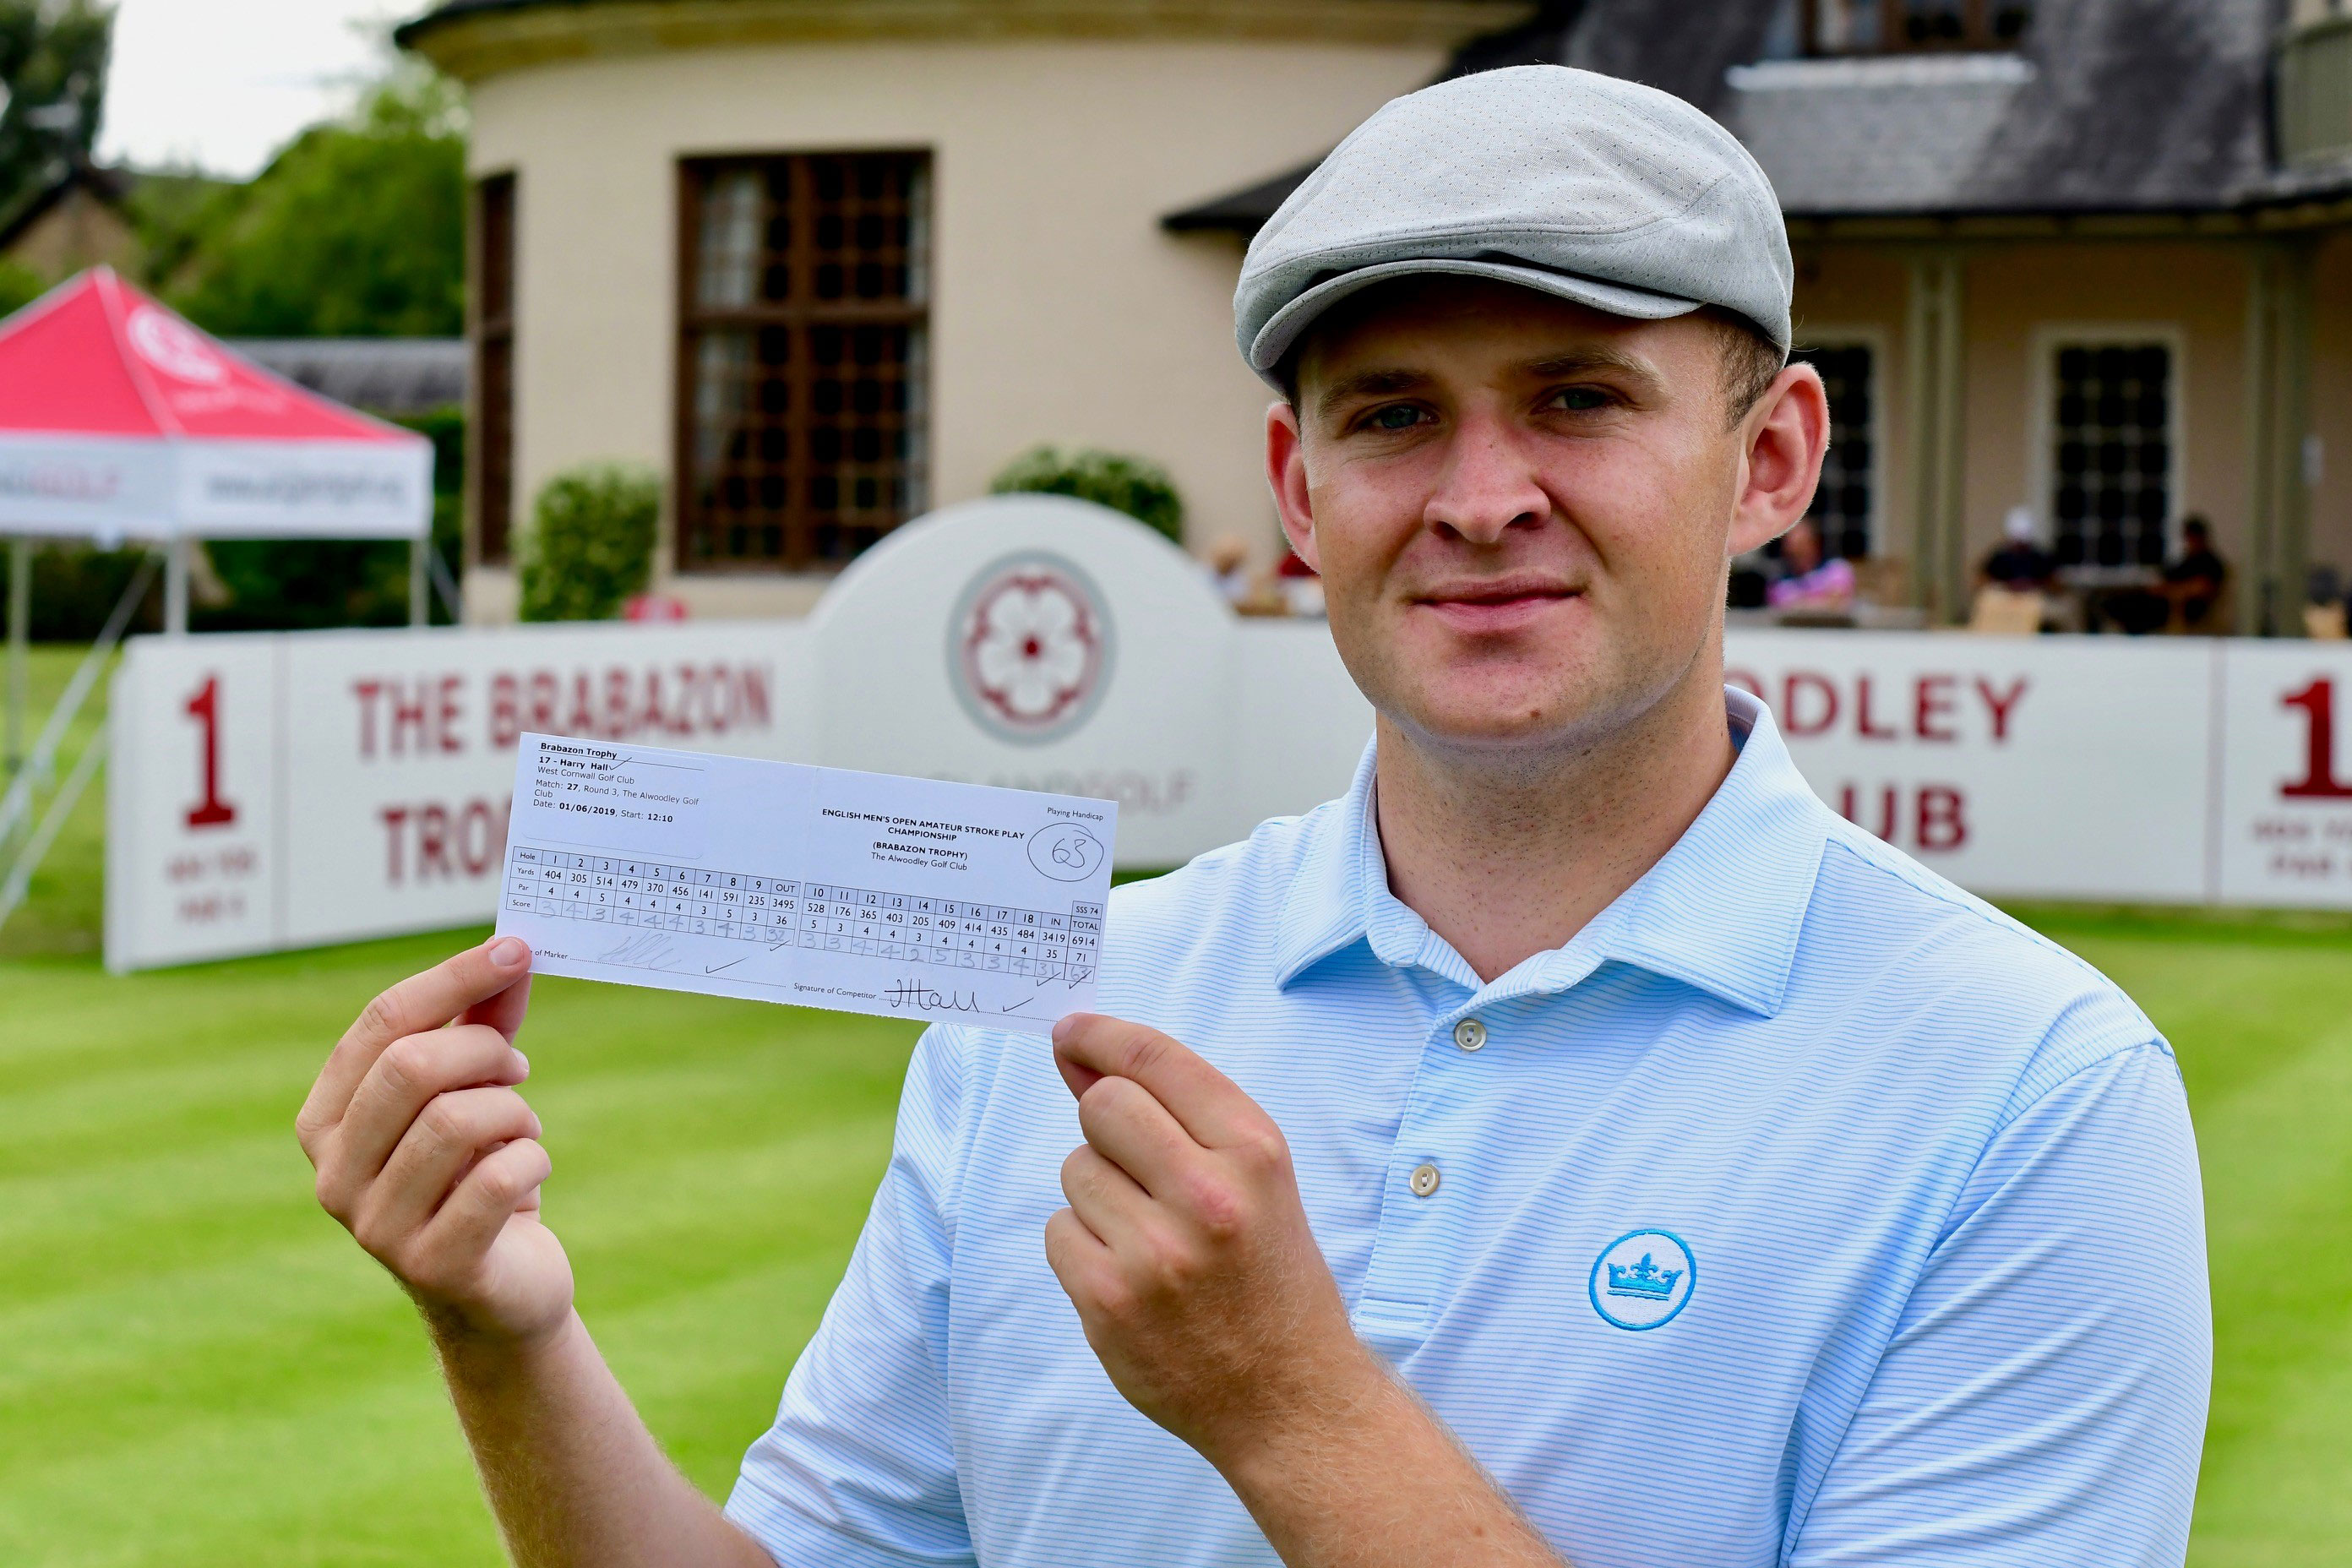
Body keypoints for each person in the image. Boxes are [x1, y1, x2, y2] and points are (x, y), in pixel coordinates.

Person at [297, 66, 2208, 1568]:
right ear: (1297, 492)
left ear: (1769, 458)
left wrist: (1287, 1405)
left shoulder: (2027, 1089)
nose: (1478, 496)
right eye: (1390, 415)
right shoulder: (1056, 1011)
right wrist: (505, 1338)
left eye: (1573, 399)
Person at [1762, 515, 1854, 610]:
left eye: (1802, 546)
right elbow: (1785, 610)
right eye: (1793, 549)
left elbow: (1837, 602)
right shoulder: (1779, 585)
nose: (1797, 554)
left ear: (1814, 543)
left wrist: (1802, 603)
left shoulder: (1837, 569)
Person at [2161, 515, 2228, 633]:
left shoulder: (2211, 562)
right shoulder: (2188, 559)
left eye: (2190, 537)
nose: (2188, 541)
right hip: (2171, 603)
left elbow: (2202, 588)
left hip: (2188, 609)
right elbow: (2170, 576)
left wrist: (2175, 591)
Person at [1980, 504, 2055, 591]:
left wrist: (2033, 584)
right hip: (2005, 597)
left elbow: (2054, 584)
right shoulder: (2000, 558)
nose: (2019, 546)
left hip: (2032, 597)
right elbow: (1982, 580)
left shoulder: (2040, 558)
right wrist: (2005, 585)